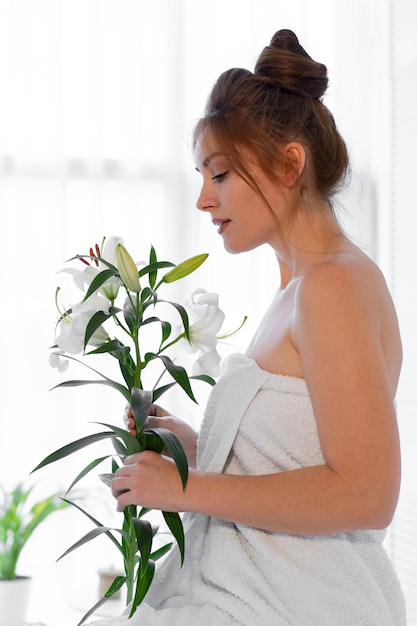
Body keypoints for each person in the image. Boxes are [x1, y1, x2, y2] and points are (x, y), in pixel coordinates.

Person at [91, 29, 406, 625]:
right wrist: (191, 451)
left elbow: (367, 494)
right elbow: (300, 455)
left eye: (220, 174)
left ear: (290, 163)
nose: (203, 201)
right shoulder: (297, 290)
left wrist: (185, 490)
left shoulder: (332, 287)